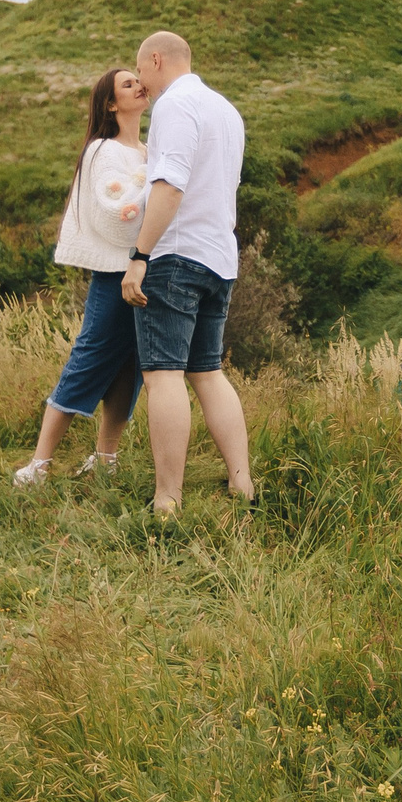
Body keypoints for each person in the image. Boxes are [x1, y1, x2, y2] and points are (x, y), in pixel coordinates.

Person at [123, 30, 256, 513]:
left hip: (176, 257)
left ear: (156, 59)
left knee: (164, 376)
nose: (141, 82)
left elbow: (172, 186)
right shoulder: (226, 109)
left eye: (141, 71)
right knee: (208, 373)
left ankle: (167, 498)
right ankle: (242, 486)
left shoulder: (175, 107)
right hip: (220, 257)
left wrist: (140, 255)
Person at [12, 67, 152, 487]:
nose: (138, 85)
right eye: (127, 84)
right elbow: (116, 211)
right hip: (114, 273)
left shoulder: (148, 150)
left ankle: (106, 458)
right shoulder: (102, 150)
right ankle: (39, 465)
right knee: (88, 358)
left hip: (146, 270)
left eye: (137, 79)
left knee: (132, 366)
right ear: (111, 104)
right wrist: (162, 193)